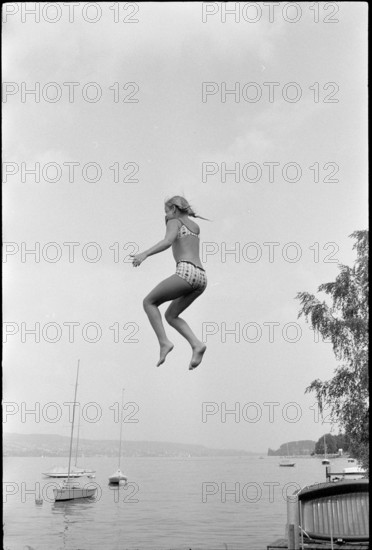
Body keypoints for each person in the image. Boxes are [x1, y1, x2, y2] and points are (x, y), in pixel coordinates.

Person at [131, 196, 208, 370]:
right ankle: (197, 344)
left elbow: (167, 241)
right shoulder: (194, 226)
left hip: (186, 272)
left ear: (173, 209)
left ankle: (164, 342)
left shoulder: (174, 221)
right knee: (171, 315)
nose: (165, 216)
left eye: (166, 211)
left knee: (149, 302)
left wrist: (144, 254)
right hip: (201, 277)